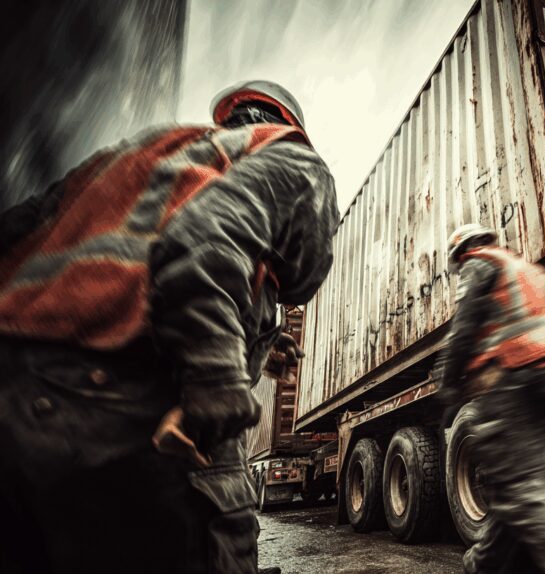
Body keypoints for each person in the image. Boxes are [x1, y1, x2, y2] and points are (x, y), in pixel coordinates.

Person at [0, 80, 340, 574]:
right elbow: (226, 253)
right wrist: (217, 391)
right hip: (135, 408)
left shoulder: (142, 151)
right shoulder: (290, 157)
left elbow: (19, 230)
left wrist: (262, 339)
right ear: (287, 123)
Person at [434, 223, 545, 574]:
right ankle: (482, 565)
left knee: (525, 491)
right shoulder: (528, 271)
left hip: (511, 384)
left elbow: (464, 327)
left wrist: (448, 382)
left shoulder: (478, 264)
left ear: (461, 252)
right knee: (515, 488)